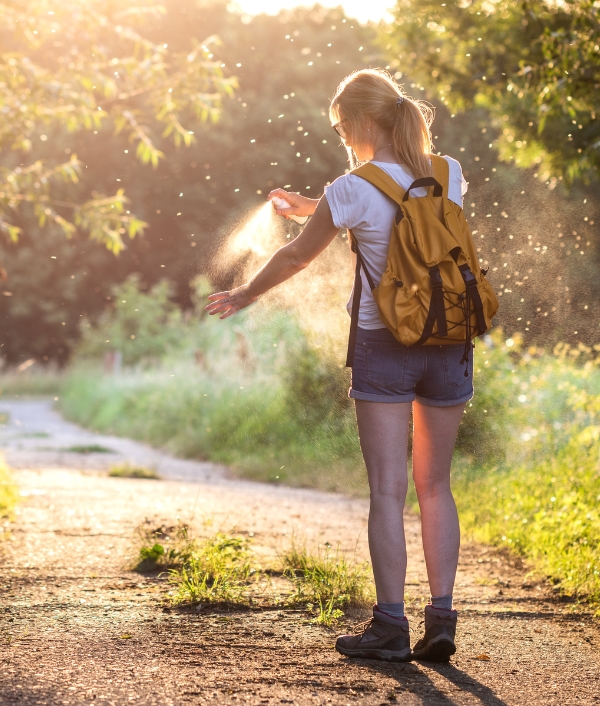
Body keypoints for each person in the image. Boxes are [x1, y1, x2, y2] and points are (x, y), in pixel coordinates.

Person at [206, 68, 470, 663]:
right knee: (436, 486)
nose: (342, 140)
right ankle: (443, 617)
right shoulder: (449, 172)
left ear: (359, 123)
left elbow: (299, 256)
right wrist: (318, 206)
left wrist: (245, 293)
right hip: (450, 340)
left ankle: (390, 626)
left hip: (387, 345)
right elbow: (400, 212)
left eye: (341, 128)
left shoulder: (351, 187)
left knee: (387, 489)